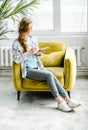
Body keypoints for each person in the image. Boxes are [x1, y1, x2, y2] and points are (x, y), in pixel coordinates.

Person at [12, 17, 81, 112]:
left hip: (38, 67)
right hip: (28, 70)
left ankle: (68, 100)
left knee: (51, 74)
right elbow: (16, 59)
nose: (31, 30)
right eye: (30, 28)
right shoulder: (16, 43)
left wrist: (38, 53)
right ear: (24, 28)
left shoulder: (33, 39)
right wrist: (27, 53)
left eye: (31, 28)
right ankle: (59, 102)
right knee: (49, 75)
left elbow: (36, 56)